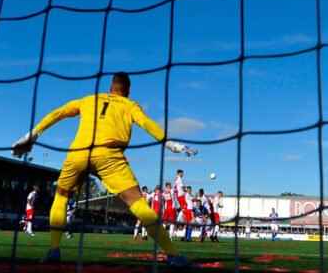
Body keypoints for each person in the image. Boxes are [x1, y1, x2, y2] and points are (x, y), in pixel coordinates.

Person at [11, 72, 197, 266]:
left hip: (79, 153)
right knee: (138, 203)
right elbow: (147, 123)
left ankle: (54, 250)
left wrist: (32, 135)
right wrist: (170, 144)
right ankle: (173, 255)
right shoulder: (130, 105)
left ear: (111, 87)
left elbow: (58, 113)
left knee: (61, 197)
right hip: (109, 156)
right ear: (128, 91)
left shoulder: (89, 99)